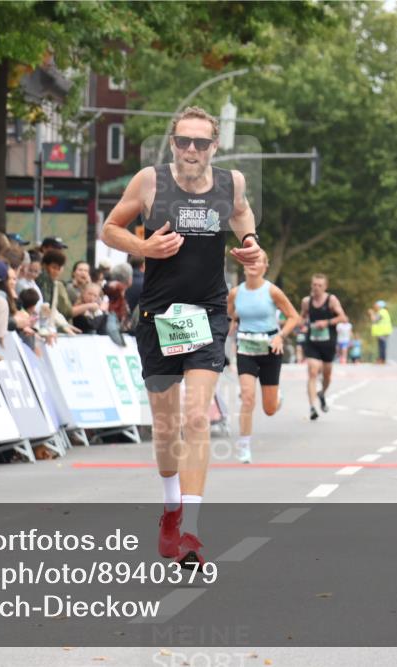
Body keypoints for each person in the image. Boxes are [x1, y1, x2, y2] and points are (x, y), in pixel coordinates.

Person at [100, 105, 261, 569]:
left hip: (208, 312)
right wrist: (144, 247)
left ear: (215, 146)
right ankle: (171, 507)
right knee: (166, 425)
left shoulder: (232, 183)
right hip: (158, 315)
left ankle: (191, 529)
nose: (192, 150)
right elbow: (110, 228)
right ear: (173, 144)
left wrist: (251, 247)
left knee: (196, 417)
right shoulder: (149, 181)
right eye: (184, 142)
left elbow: (243, 218)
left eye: (201, 143)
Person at [227, 251, 299, 464]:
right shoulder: (235, 293)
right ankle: (244, 446)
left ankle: (277, 397)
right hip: (246, 349)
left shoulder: (272, 291)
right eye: (249, 261)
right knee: (248, 397)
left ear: (265, 266)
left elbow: (294, 317)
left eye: (257, 261)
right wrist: (230, 326)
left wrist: (280, 336)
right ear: (244, 266)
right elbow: (229, 315)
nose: (252, 264)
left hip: (270, 349)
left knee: (269, 409)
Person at [300, 273, 347, 421]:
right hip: (312, 342)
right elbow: (302, 317)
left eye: (320, 285)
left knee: (327, 375)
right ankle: (312, 407)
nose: (316, 288)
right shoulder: (306, 302)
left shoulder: (331, 300)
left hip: (328, 343)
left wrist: (326, 323)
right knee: (312, 371)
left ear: (325, 287)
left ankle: (322, 393)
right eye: (314, 285)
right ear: (311, 285)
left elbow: (343, 318)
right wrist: (301, 325)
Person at [369, 299, 392, 363]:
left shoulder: (382, 312)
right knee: (382, 345)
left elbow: (374, 320)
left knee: (382, 346)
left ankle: (382, 359)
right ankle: (381, 358)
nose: (375, 306)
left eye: (376, 305)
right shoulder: (383, 311)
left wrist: (371, 313)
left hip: (382, 332)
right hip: (383, 331)